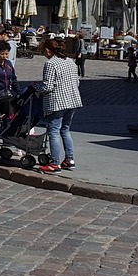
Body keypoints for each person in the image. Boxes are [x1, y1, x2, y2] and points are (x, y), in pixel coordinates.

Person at [35, 38, 83, 174]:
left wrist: (35, 87)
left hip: (57, 102)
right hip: (72, 100)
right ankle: (69, 159)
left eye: (43, 51)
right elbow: (77, 82)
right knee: (65, 130)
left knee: (54, 131)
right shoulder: (70, 62)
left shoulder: (51, 64)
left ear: (48, 50)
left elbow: (47, 86)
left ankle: (55, 163)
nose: (43, 54)